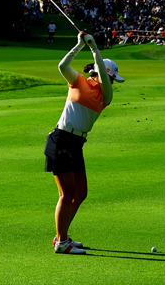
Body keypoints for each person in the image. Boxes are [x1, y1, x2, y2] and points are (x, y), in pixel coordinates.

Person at [43, 31, 124, 255]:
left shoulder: (105, 96)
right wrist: (80, 45)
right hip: (61, 139)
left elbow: (105, 83)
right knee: (66, 194)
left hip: (76, 143)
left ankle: (63, 235)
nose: (113, 83)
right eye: (111, 78)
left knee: (81, 193)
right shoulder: (78, 81)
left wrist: (95, 49)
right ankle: (61, 242)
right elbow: (62, 66)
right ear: (102, 74)